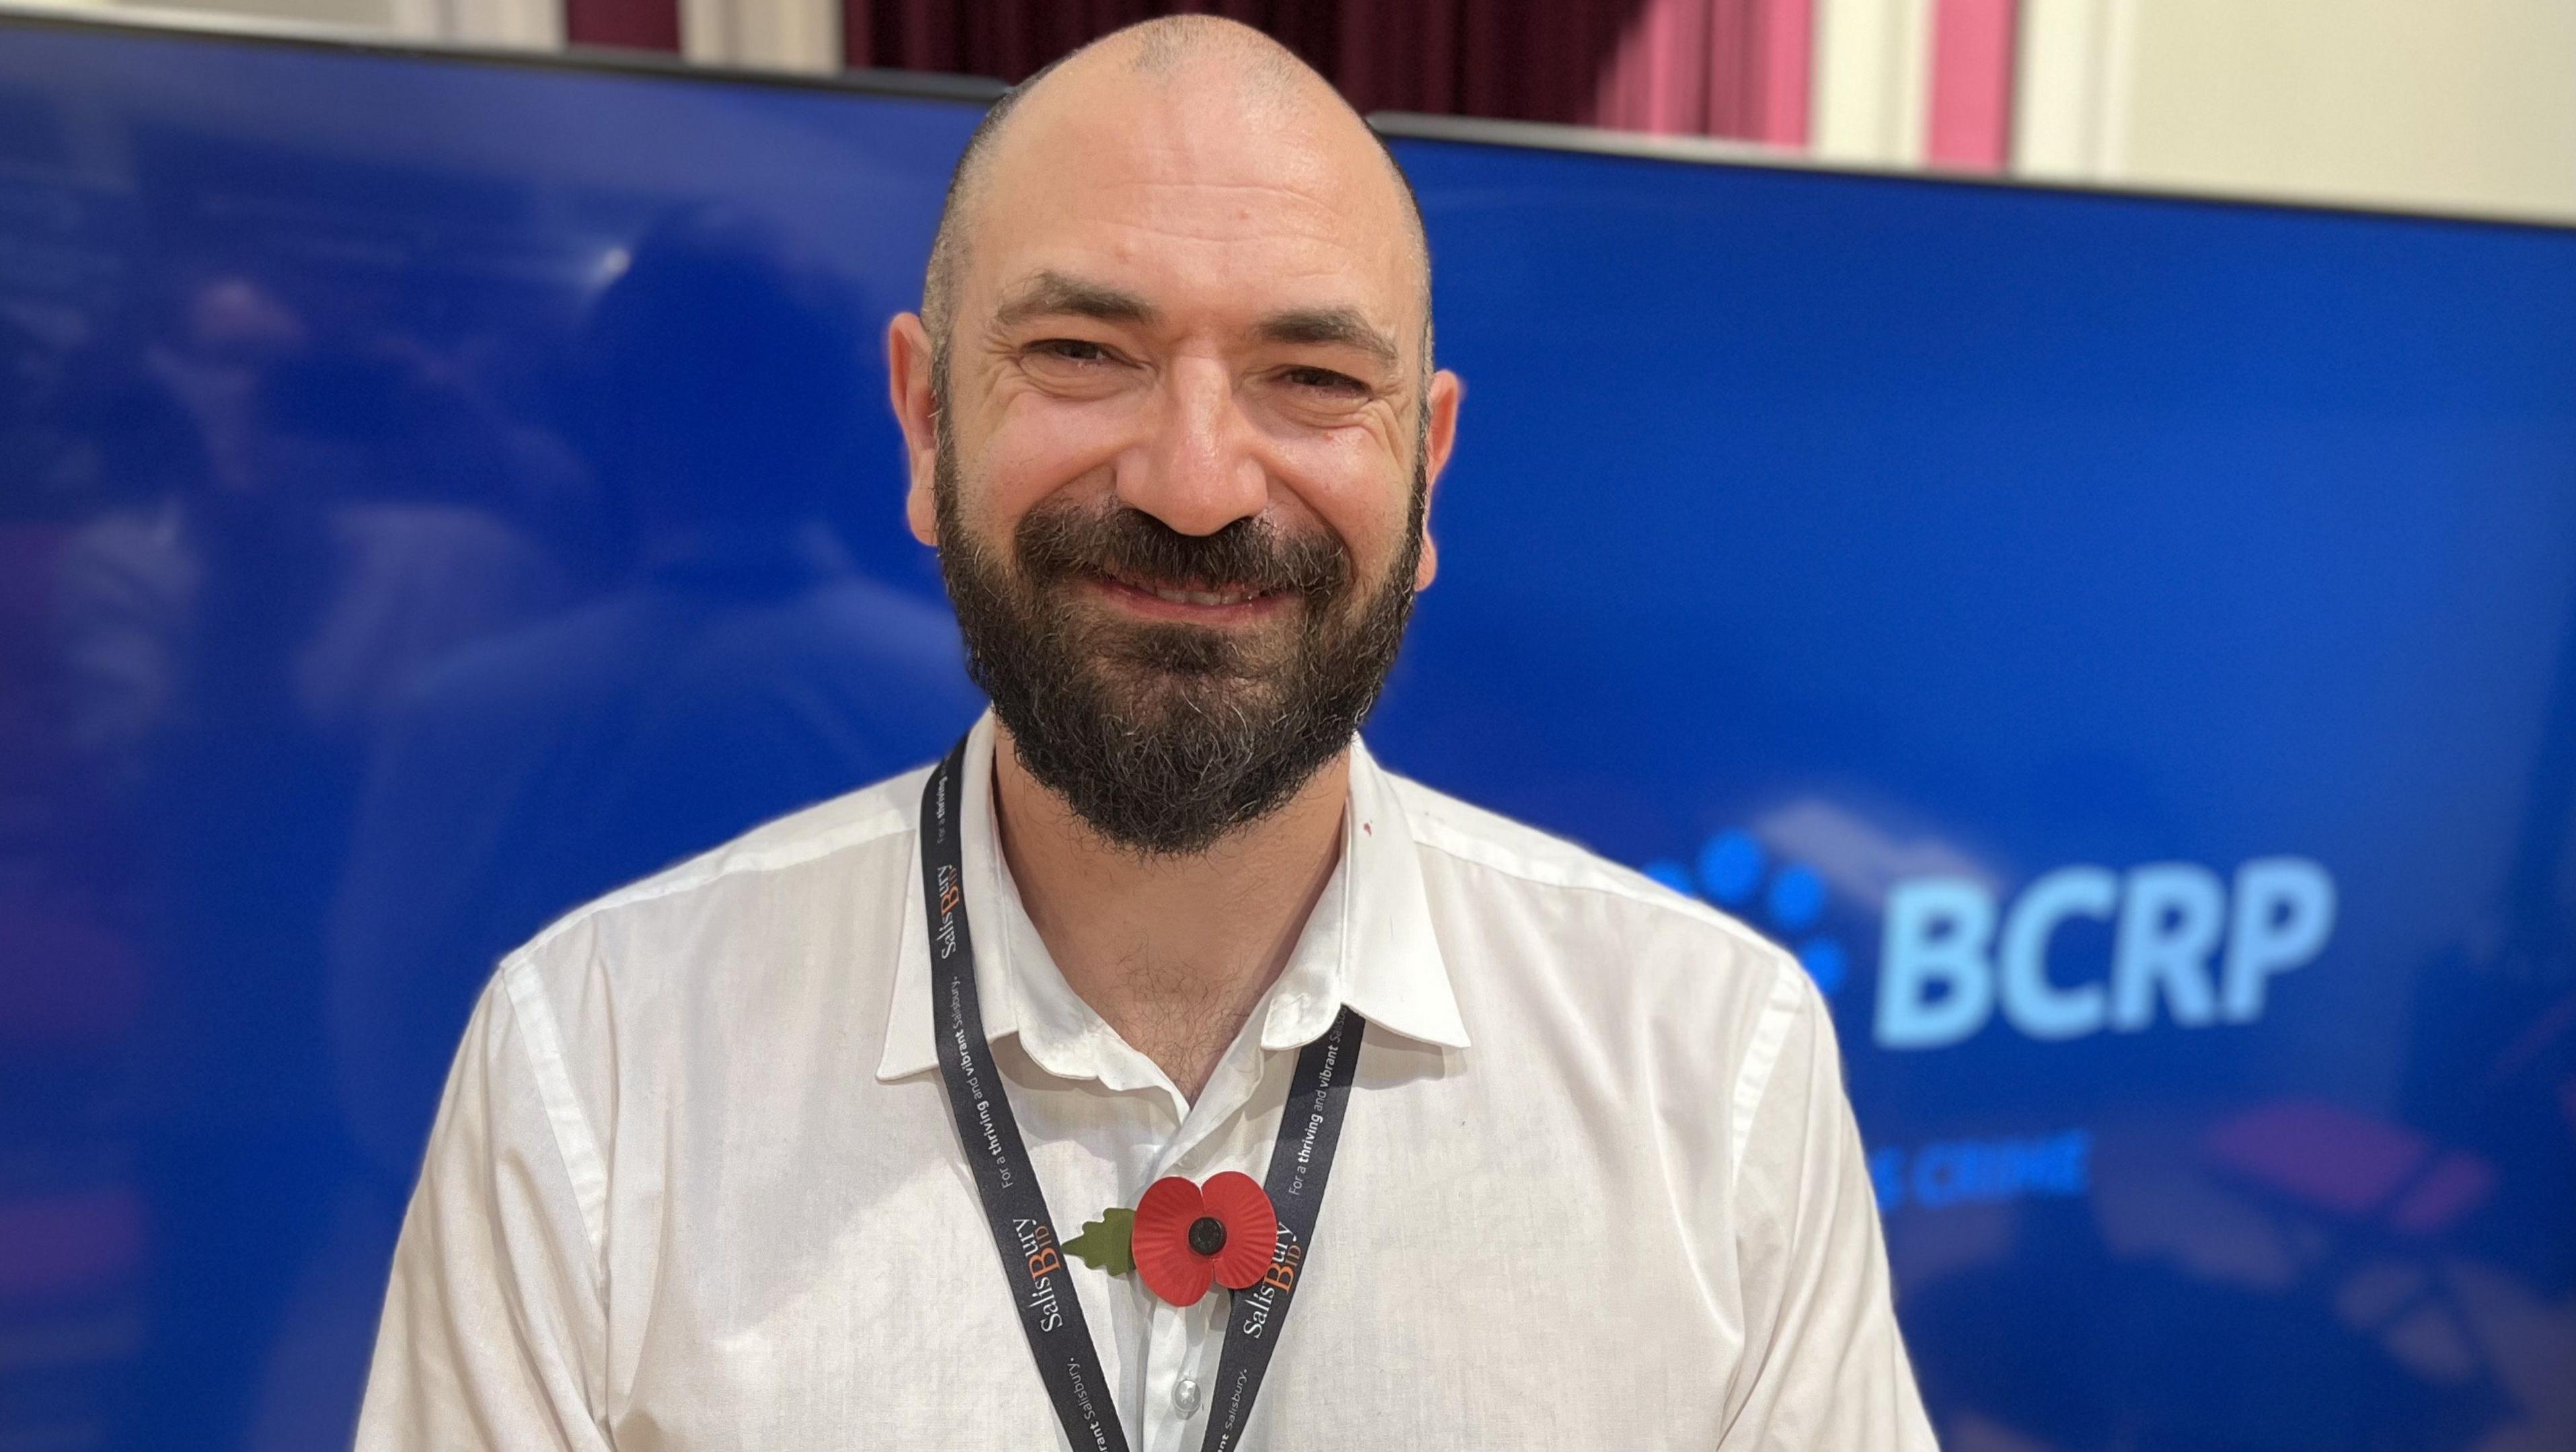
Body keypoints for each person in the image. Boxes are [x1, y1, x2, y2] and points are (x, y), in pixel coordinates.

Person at [354, 17, 1936, 1450]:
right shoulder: (598, 1064)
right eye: (1081, 355)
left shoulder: (1716, 1065)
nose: (1197, 484)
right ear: (924, 422)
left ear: (1430, 466)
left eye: (1313, 377)